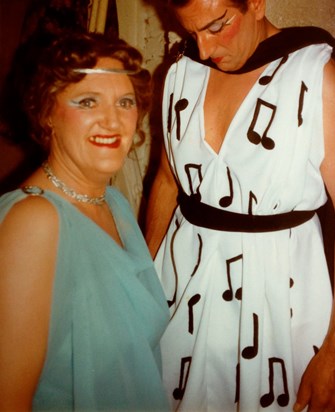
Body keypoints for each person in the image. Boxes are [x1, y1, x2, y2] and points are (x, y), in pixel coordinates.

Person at [145, 0, 335, 410]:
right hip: (180, 288)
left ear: (257, 3)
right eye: (192, 33)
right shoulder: (181, 72)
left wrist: (334, 355)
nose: (206, 49)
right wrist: (142, 281)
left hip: (278, 302)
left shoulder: (316, 76)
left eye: (217, 26)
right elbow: (166, 178)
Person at [0, 31, 170, 411]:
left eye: (125, 102)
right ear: (46, 112)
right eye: (88, 101)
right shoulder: (33, 222)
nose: (112, 120)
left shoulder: (114, 203)